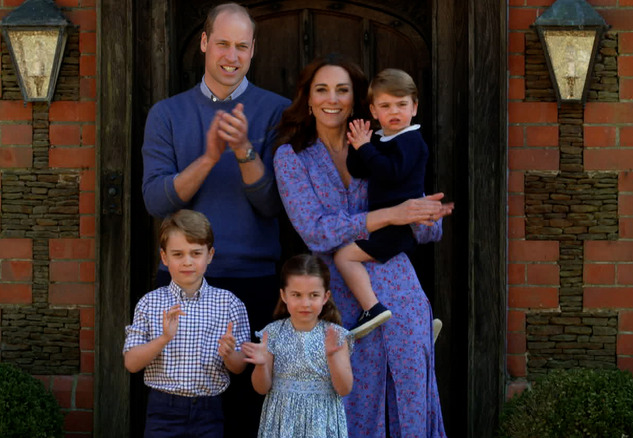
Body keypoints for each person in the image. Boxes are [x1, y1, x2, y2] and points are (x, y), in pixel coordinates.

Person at [273, 53, 452, 437]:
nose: (332, 99)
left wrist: (426, 216)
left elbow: (421, 226)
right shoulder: (292, 158)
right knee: (348, 406)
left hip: (400, 290)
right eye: (322, 90)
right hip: (338, 298)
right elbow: (315, 231)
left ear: (355, 101)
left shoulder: (385, 144)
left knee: (409, 397)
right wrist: (390, 215)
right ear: (308, 98)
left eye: (342, 90)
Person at [140, 3, 290, 436]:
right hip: (183, 283)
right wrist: (208, 157)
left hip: (254, 282)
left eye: (242, 46)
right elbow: (155, 200)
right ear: (204, 43)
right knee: (182, 406)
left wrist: (244, 151)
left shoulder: (276, 112)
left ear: (253, 50)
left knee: (247, 412)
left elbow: (274, 205)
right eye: (222, 43)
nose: (232, 55)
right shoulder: (167, 114)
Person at [123, 209, 250, 438]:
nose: (187, 262)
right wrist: (163, 339)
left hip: (209, 411)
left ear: (209, 255)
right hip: (163, 410)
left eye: (196, 253)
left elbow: (240, 366)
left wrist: (230, 354)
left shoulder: (229, 303)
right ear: (164, 257)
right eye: (178, 254)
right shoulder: (150, 303)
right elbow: (131, 363)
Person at [334, 68, 429, 338]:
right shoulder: (381, 139)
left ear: (415, 107)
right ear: (374, 111)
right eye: (386, 106)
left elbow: (390, 172)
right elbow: (360, 170)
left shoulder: (412, 141)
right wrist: (358, 145)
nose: (394, 111)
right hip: (384, 223)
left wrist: (366, 147)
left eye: (402, 104)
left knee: (344, 256)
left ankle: (372, 308)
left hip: (397, 227)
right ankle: (415, 323)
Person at [242, 254, 353, 438]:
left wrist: (333, 357)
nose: (305, 303)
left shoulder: (335, 335)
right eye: (297, 295)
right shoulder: (273, 333)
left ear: (325, 297)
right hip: (282, 421)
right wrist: (261, 365)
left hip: (321, 422)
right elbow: (261, 388)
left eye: (314, 295)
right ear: (284, 295)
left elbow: (344, 389)